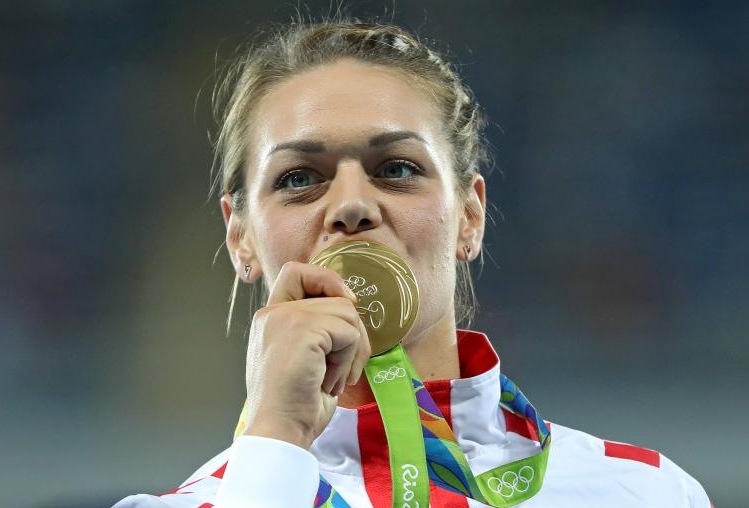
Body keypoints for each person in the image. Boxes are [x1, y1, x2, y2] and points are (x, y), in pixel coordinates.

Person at [114, 17, 711, 508]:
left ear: (470, 216)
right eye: (299, 179)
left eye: (396, 169)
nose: (350, 205)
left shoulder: (647, 494)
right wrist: (276, 439)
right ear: (239, 237)